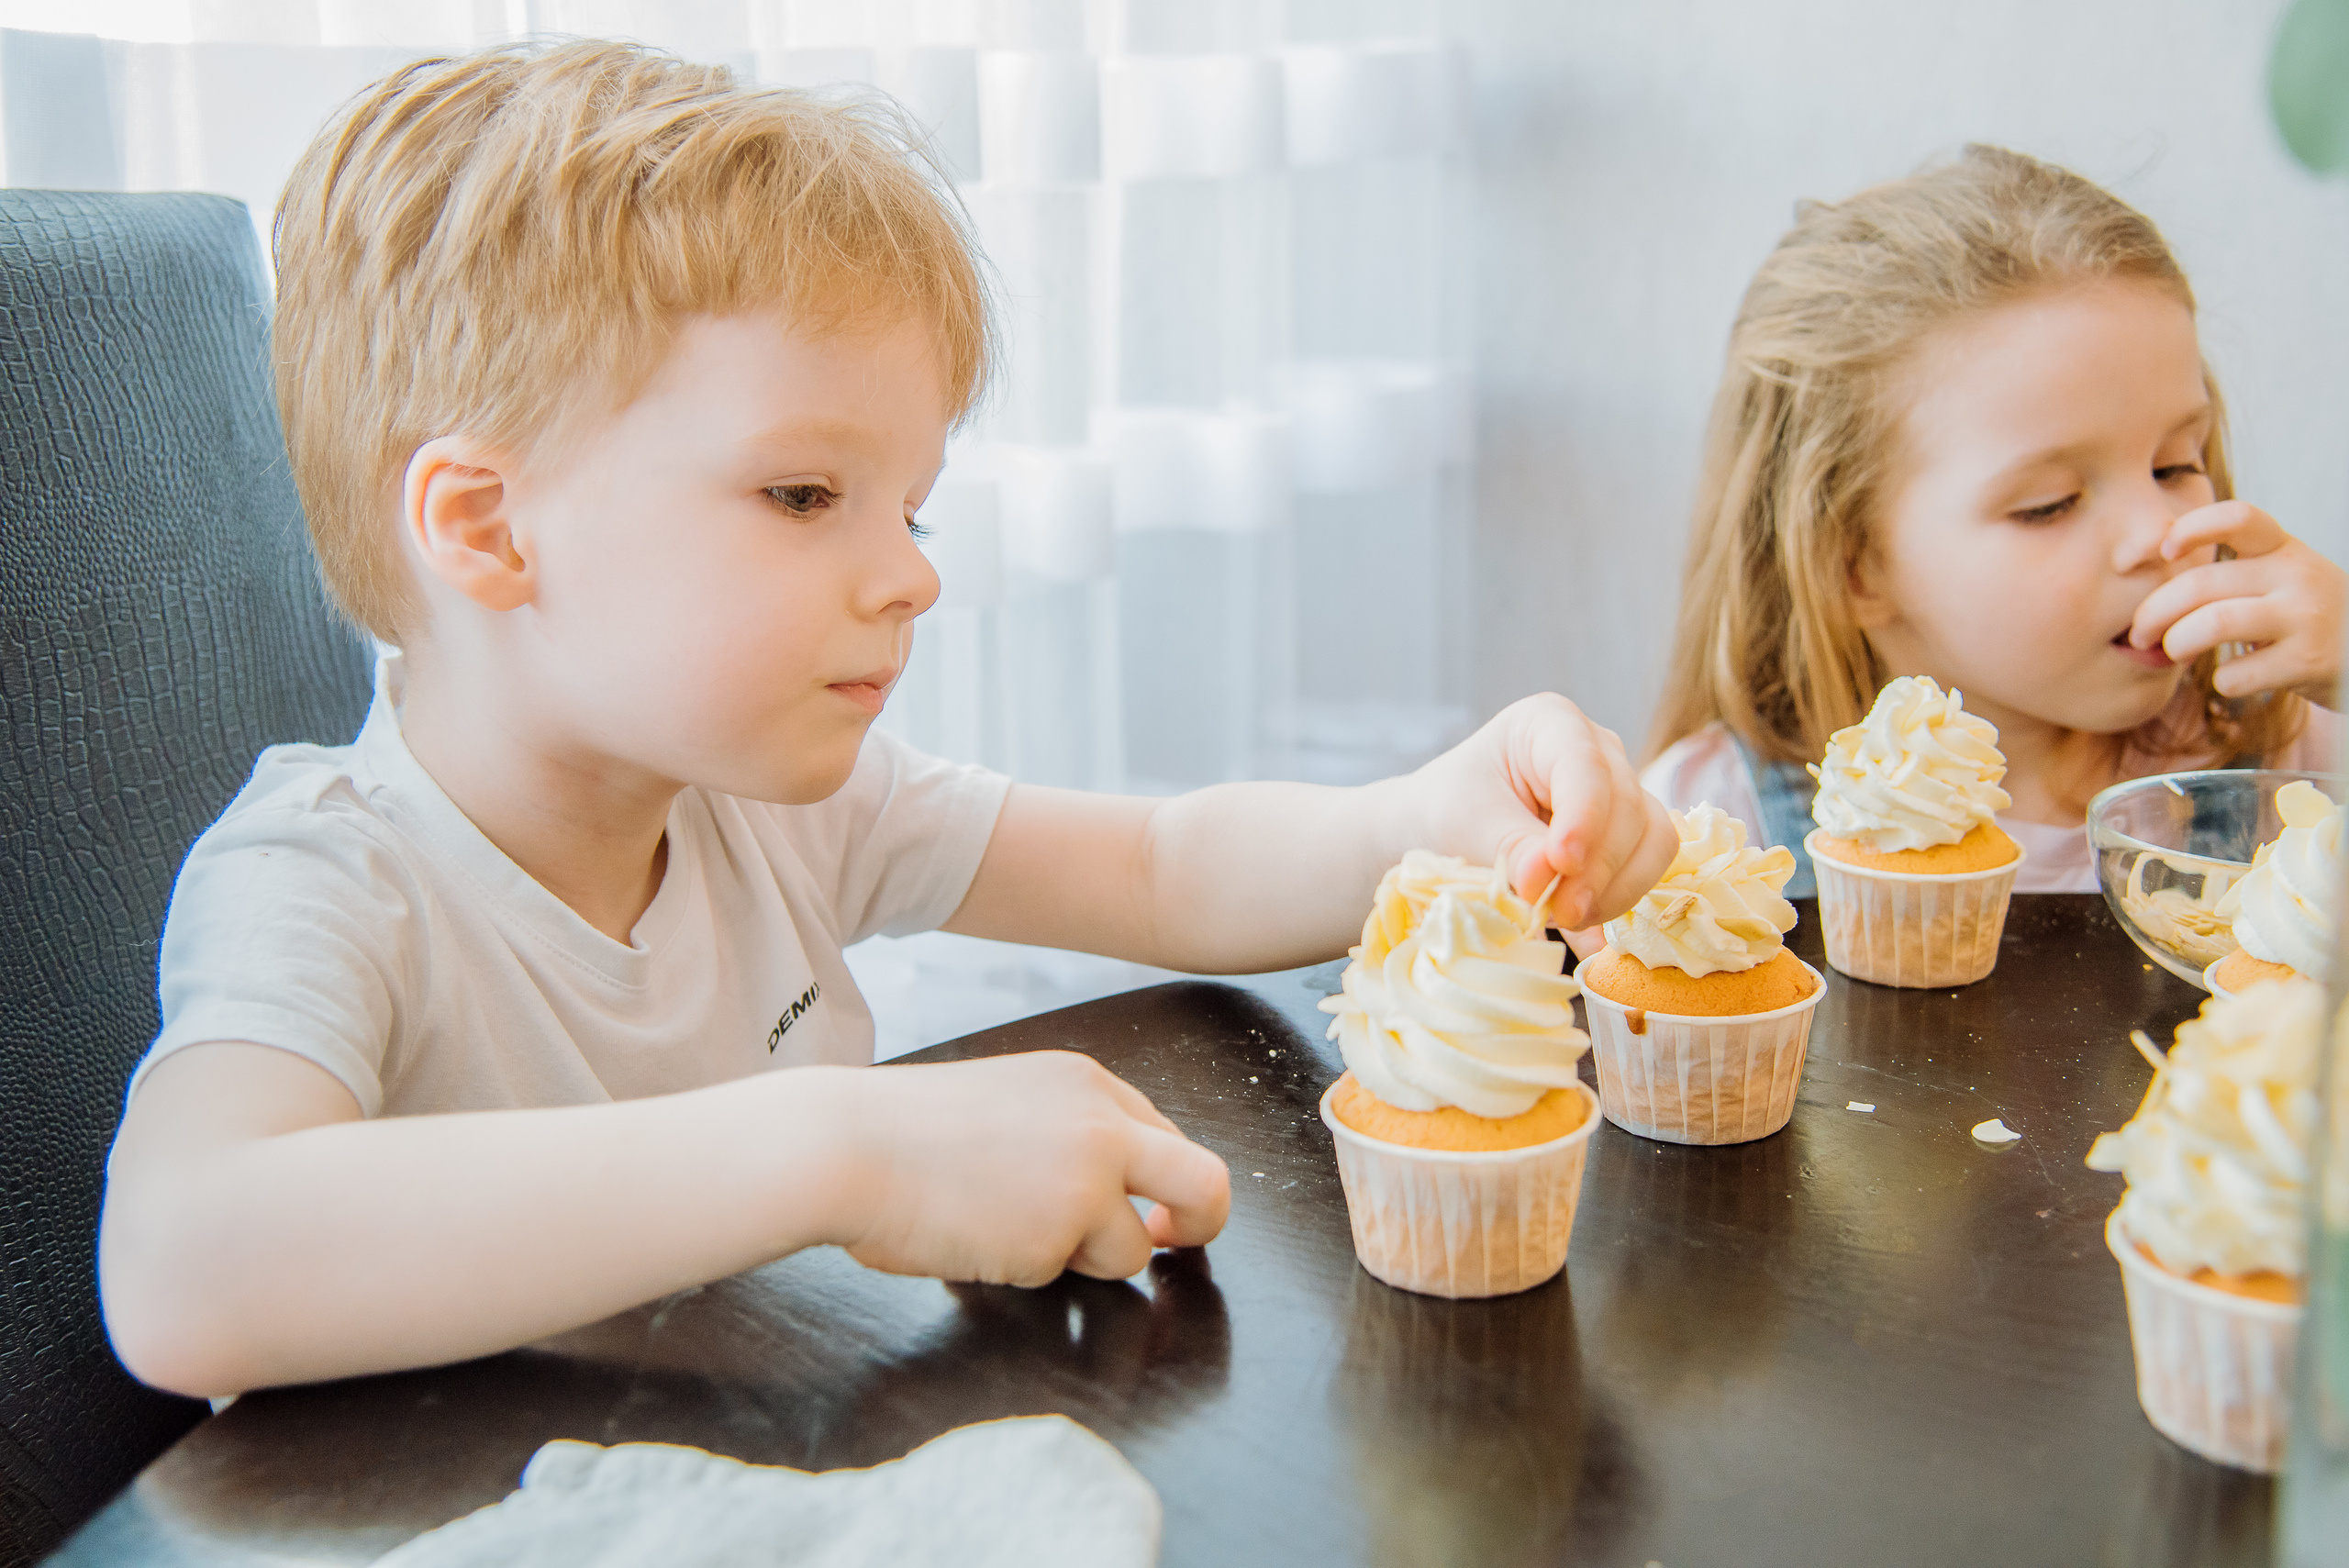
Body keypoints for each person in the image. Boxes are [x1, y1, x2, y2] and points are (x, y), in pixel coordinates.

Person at [95, 41, 1675, 1399]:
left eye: (911, 508)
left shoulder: (768, 802)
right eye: (805, 493)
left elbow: (1165, 867)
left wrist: (1423, 820)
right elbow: (182, 1265)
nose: (910, 576)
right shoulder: (326, 876)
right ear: (491, 529)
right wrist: (843, 1148)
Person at [1642, 145, 2344, 896]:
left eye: (2176, 463)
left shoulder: (2294, 759)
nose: (2157, 533)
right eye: (2050, 504)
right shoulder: (1705, 826)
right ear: (1854, 565)